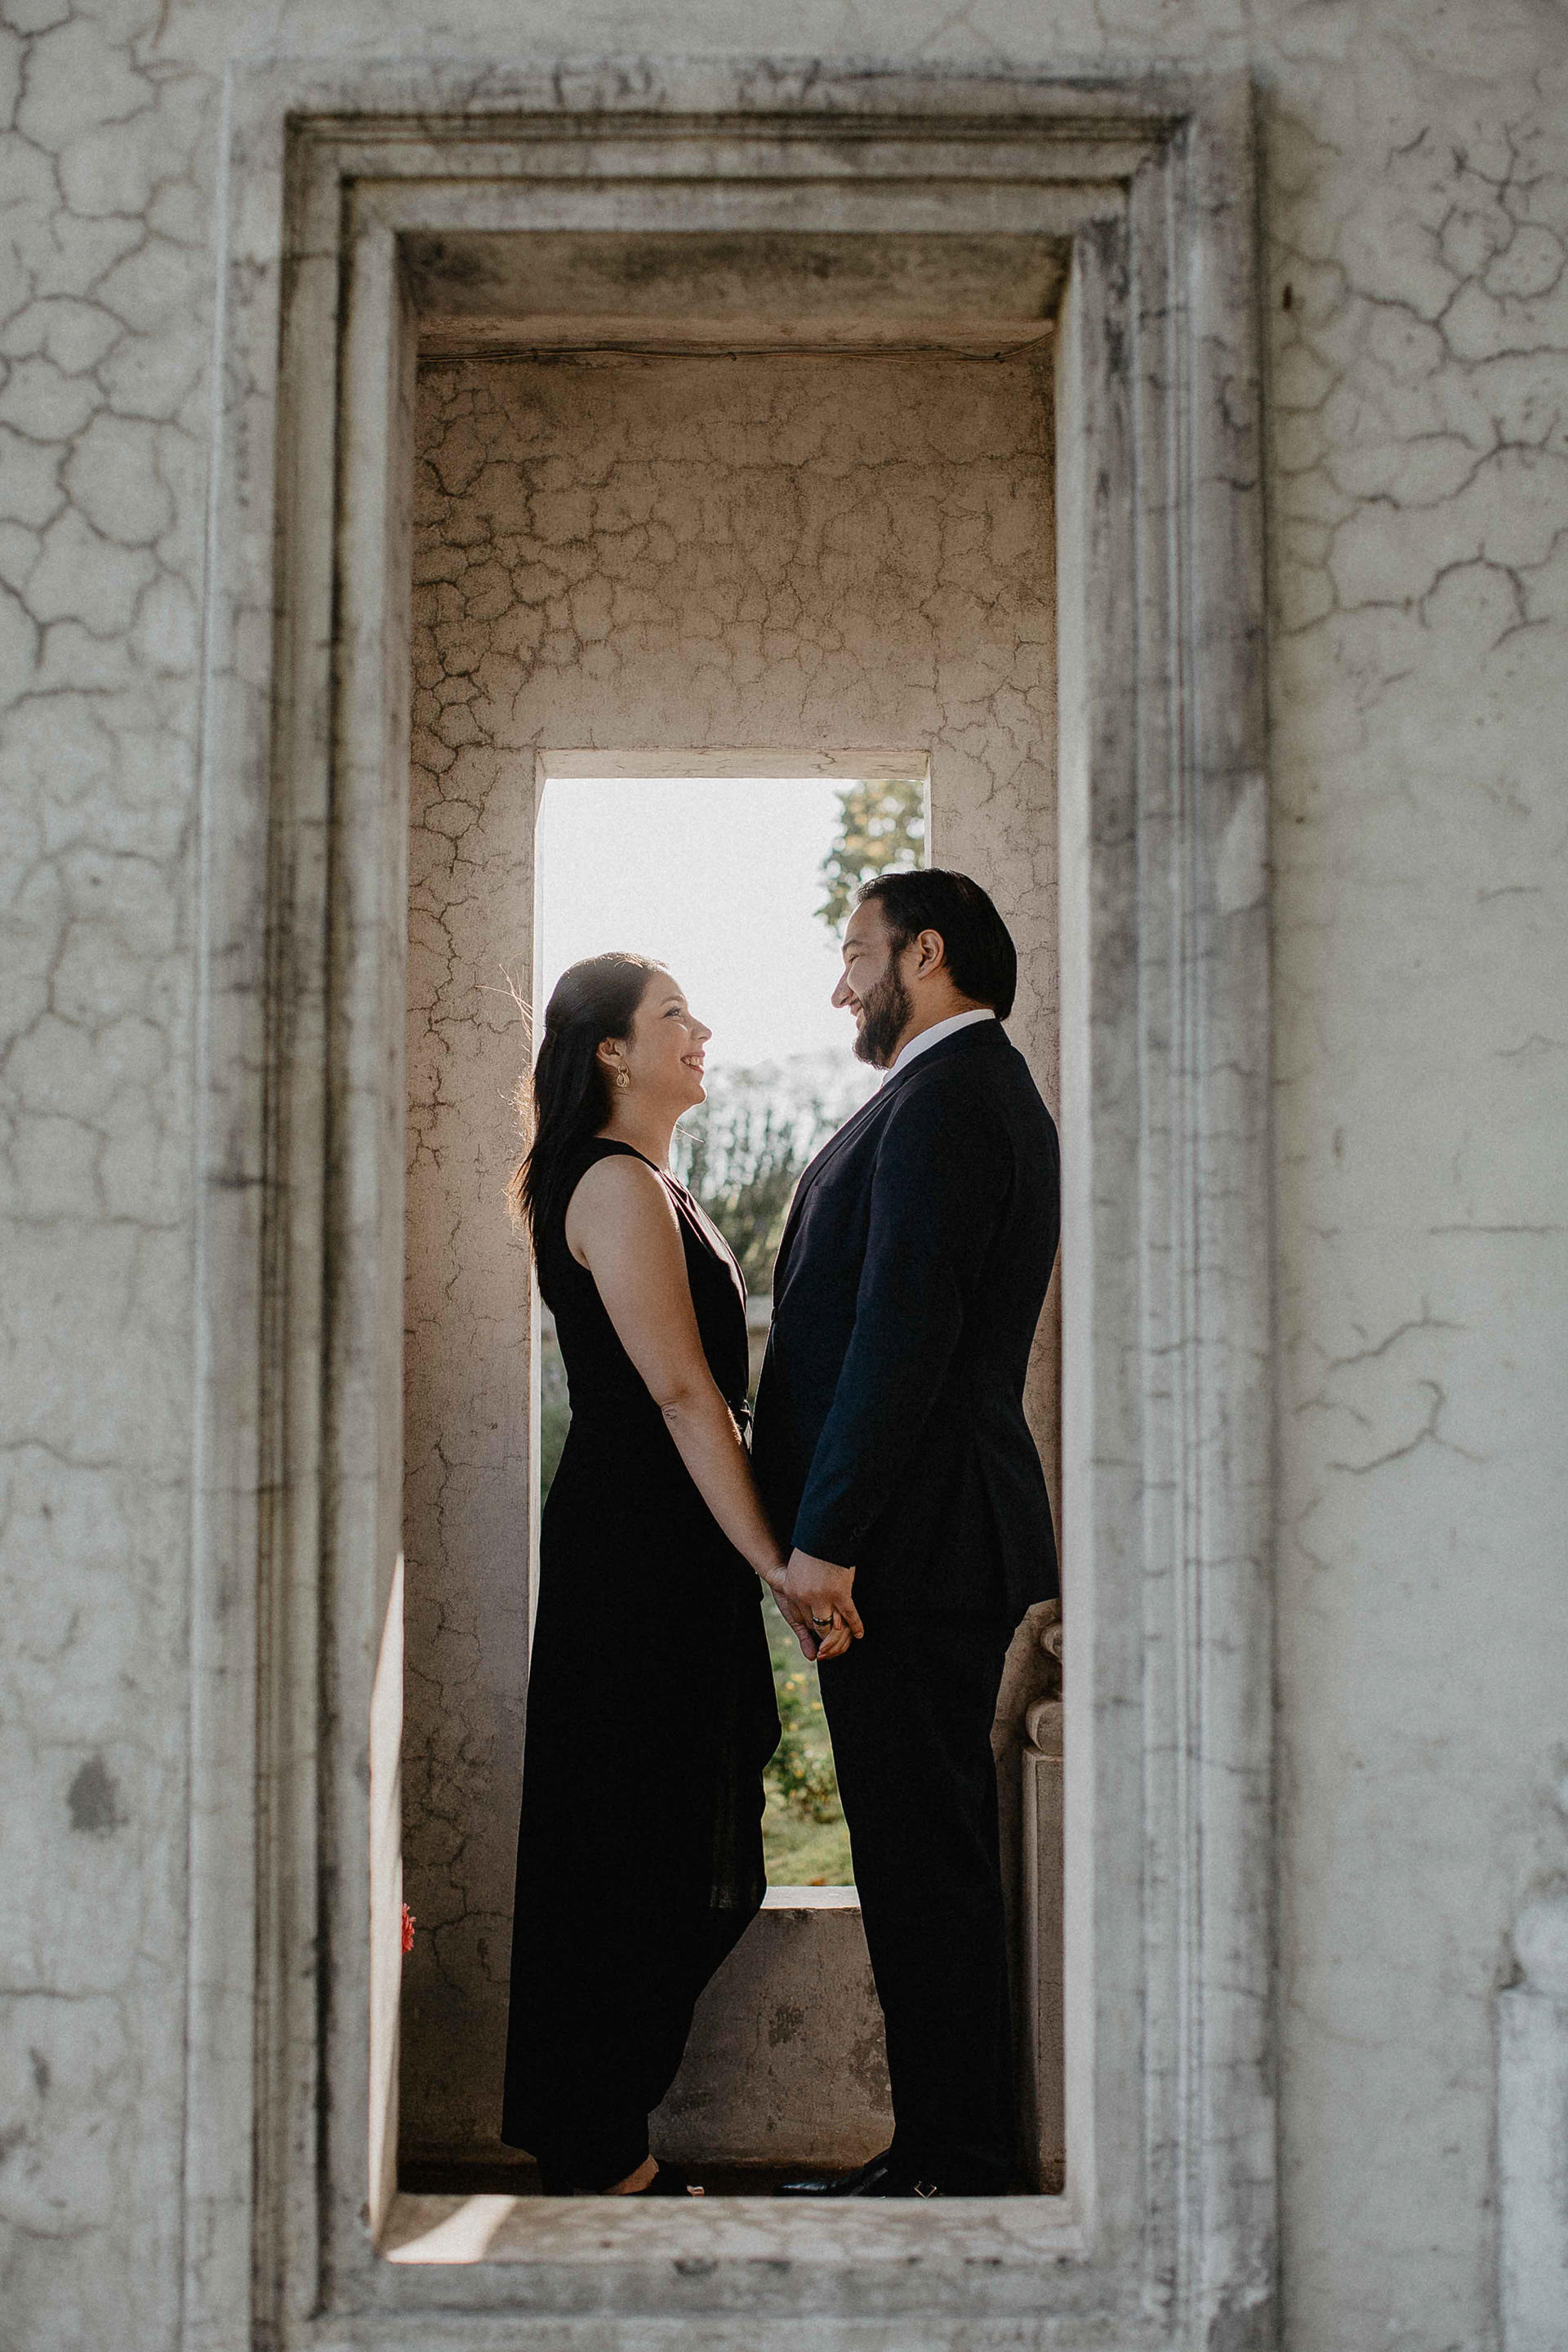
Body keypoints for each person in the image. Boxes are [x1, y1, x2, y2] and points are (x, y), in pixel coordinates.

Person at [500, 951, 844, 2197]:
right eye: (674, 1016)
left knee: (666, 1827)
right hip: (635, 1546)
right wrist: (779, 1568)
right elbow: (684, 1393)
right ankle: (600, 2149)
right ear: (612, 1051)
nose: (703, 1030)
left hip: (664, 1535)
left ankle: (599, 2134)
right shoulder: (610, 1183)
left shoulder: (646, 1181)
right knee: (636, 1836)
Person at [751, 869, 1060, 2198]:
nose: (842, 987)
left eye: (856, 954)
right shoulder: (956, 1092)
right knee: (921, 1852)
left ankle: (954, 2164)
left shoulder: (950, 1099)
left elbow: (903, 1336)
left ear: (925, 953)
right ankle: (948, 2152)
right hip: (921, 1541)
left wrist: (825, 1541)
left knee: (923, 1858)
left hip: (910, 1551)